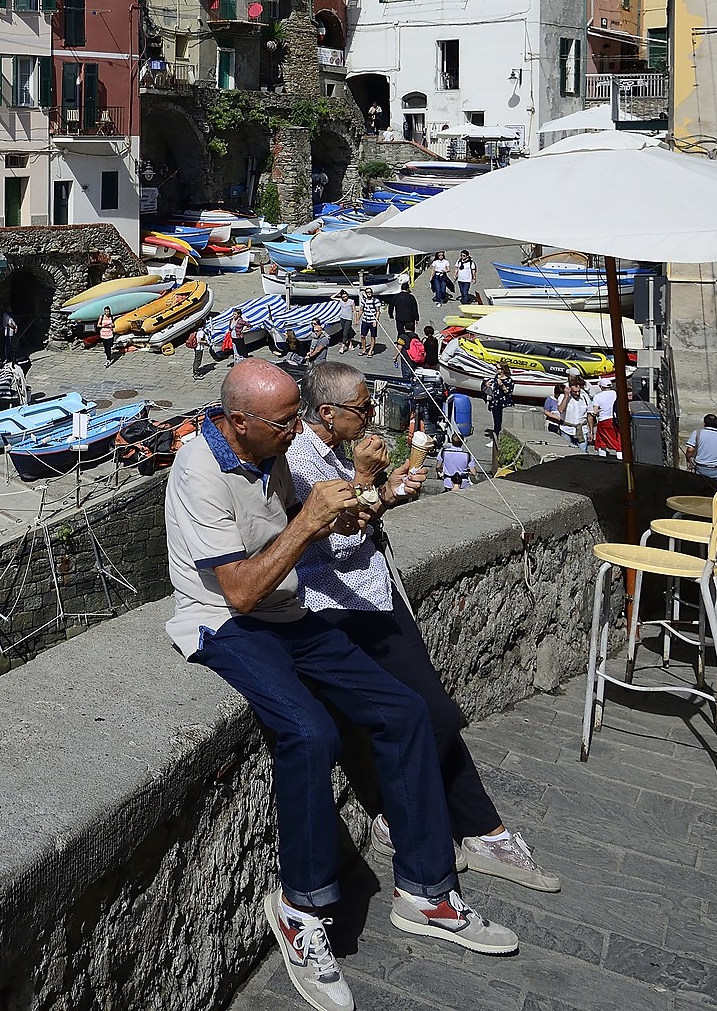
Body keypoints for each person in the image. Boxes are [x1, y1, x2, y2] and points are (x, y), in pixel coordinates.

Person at [167, 360, 518, 1010]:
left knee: (407, 710)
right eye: (284, 421)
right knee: (310, 731)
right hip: (225, 624)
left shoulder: (267, 450)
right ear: (239, 421)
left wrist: (359, 488)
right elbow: (239, 593)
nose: (296, 430)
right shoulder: (199, 472)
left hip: (289, 613)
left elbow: (331, 525)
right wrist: (306, 524)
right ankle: (302, 911)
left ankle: (426, 891)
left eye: (300, 415)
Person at [285, 360, 560, 897]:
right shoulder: (300, 463)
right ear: (327, 412)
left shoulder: (328, 453)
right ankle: (418, 820)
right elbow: (330, 542)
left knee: (433, 715)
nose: (369, 417)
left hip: (372, 594)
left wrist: (385, 493)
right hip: (343, 607)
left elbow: (359, 520)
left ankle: (484, 829)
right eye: (362, 409)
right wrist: (367, 482)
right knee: (432, 715)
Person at [685, 413, 717, 479]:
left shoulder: (697, 433)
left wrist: (689, 460)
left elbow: (690, 450)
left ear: (704, 423)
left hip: (701, 469)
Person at [483, 364, 515, 443]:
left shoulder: (509, 380)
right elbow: (492, 386)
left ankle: (496, 439)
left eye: (498, 368)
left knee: (498, 421)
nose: (496, 370)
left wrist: (502, 385)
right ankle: (495, 437)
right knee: (495, 420)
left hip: (501, 403)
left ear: (503, 370)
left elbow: (509, 393)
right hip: (494, 401)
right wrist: (487, 385)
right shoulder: (496, 377)